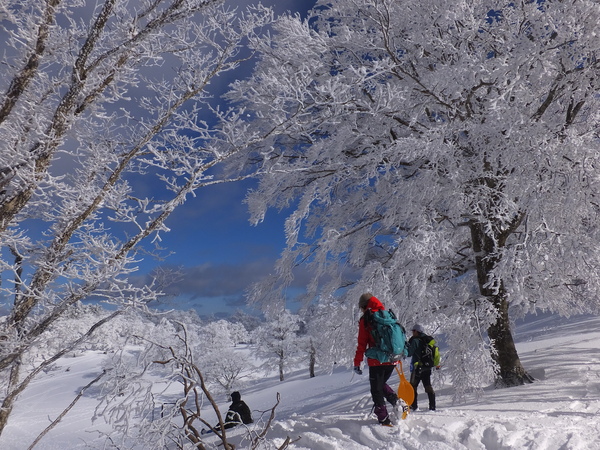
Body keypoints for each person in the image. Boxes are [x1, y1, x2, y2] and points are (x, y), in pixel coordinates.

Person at [353, 293, 399, 426]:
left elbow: (362, 343)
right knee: (380, 384)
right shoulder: (387, 315)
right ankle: (397, 402)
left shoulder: (367, 319)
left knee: (376, 389)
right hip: (393, 359)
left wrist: (357, 362)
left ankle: (383, 419)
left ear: (363, 306)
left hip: (377, 360)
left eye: (361, 308)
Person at [407, 324, 438, 411]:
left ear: (417, 331)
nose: (412, 333)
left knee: (412, 387)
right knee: (428, 386)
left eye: (413, 331)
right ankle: (432, 407)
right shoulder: (427, 340)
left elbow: (409, 353)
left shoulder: (415, 341)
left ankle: (414, 406)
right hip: (427, 367)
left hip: (417, 367)